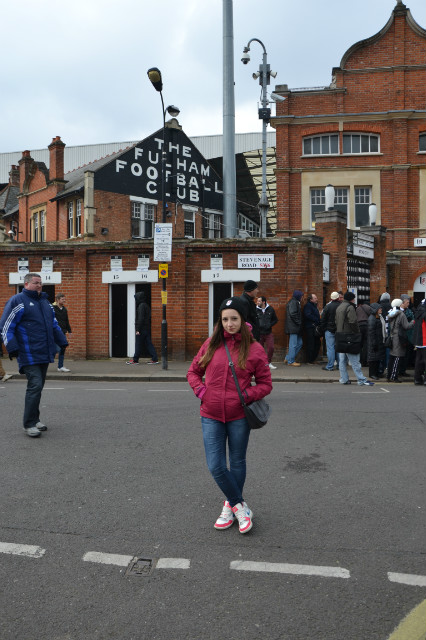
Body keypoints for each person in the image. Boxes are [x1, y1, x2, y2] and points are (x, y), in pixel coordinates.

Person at [187, 296, 272, 534]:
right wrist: (202, 391)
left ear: (243, 319)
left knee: (237, 462)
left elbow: (266, 384)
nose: (229, 324)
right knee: (215, 466)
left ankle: (229, 506)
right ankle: (239, 505)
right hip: (210, 413)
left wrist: (245, 396)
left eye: (234, 318)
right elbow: (193, 372)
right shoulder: (211, 344)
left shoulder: (254, 349)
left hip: (238, 416)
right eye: (225, 319)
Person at [0, 273, 68, 437]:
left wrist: (62, 341)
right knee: (35, 385)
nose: (39, 285)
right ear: (26, 284)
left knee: (38, 387)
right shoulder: (17, 301)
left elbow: (53, 324)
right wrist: (12, 347)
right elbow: (5, 326)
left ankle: (35, 419)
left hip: (44, 352)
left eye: (41, 283)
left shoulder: (45, 303)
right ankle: (29, 424)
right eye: (36, 283)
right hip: (27, 353)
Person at [335, 291, 374, 386]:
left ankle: (344, 379)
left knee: (342, 360)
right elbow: (352, 321)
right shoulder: (350, 307)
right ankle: (361, 380)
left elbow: (336, 321)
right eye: (353, 298)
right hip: (349, 336)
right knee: (355, 360)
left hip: (340, 336)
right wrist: (357, 332)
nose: (354, 300)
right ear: (351, 299)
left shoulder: (339, 307)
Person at [386, 298, 415, 383]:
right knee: (397, 357)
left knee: (392, 357)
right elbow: (406, 326)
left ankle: (389, 375)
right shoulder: (401, 314)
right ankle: (394, 376)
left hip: (392, 336)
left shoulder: (391, 313)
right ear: (400, 304)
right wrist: (413, 322)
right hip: (399, 338)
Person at [126, 291, 158, 365]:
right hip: (146, 328)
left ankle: (135, 360)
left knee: (138, 344)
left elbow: (140, 318)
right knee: (148, 343)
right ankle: (154, 358)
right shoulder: (146, 305)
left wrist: (138, 329)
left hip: (142, 328)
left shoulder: (141, 306)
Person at [319, 291, 340, 371]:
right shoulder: (341, 306)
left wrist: (323, 328)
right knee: (338, 348)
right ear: (338, 298)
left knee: (330, 348)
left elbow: (323, 318)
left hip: (329, 329)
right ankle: (339, 365)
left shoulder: (328, 306)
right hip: (339, 330)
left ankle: (330, 366)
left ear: (331, 298)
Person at [256, 296, 278, 369]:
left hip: (268, 332)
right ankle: (261, 363)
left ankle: (268, 363)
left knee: (271, 348)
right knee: (259, 349)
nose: (257, 302)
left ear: (263, 302)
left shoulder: (270, 309)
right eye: (257, 301)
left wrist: (270, 325)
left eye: (259, 301)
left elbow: (275, 320)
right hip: (259, 333)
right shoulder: (255, 310)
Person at [284, 289, 304, 367]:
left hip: (295, 327)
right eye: (301, 296)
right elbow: (293, 314)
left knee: (299, 343)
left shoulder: (295, 302)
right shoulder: (293, 302)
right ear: (298, 296)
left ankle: (288, 357)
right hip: (293, 327)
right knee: (293, 344)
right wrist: (299, 322)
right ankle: (291, 361)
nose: (302, 298)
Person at [53, 292, 72, 372]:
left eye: (64, 299)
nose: (64, 300)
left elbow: (66, 321)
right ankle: (42, 363)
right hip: (55, 331)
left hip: (63, 332)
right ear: (57, 300)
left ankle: (60, 366)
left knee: (63, 348)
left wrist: (69, 331)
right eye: (62, 299)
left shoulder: (64, 309)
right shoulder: (53, 308)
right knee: (56, 348)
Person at [367, 303, 386, 380]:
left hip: (378, 340)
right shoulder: (372, 318)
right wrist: (374, 343)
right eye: (379, 308)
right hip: (374, 341)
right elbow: (371, 332)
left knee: (377, 358)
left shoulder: (378, 317)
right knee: (373, 359)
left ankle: (376, 373)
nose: (381, 309)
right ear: (375, 309)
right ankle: (372, 374)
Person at [398, 294, 414, 377]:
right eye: (407, 302)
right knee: (399, 354)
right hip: (400, 336)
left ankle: (403, 370)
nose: (409, 303)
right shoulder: (398, 311)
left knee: (406, 355)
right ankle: (398, 371)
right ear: (402, 302)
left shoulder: (409, 310)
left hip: (408, 336)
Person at [303, 293, 321, 364]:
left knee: (317, 343)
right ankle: (310, 360)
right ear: (311, 299)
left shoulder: (314, 306)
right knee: (311, 343)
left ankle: (313, 359)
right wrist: (317, 319)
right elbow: (308, 315)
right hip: (310, 327)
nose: (317, 299)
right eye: (315, 298)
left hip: (314, 327)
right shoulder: (308, 306)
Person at [412, 298, 426, 385]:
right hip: (424, 339)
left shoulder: (418, 311)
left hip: (418, 339)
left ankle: (417, 379)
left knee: (419, 360)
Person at [355, 301, 371, 367]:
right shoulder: (369, 307)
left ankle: (360, 360)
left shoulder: (358, 308)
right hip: (366, 325)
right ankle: (365, 361)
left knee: (359, 344)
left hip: (359, 326)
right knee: (366, 344)